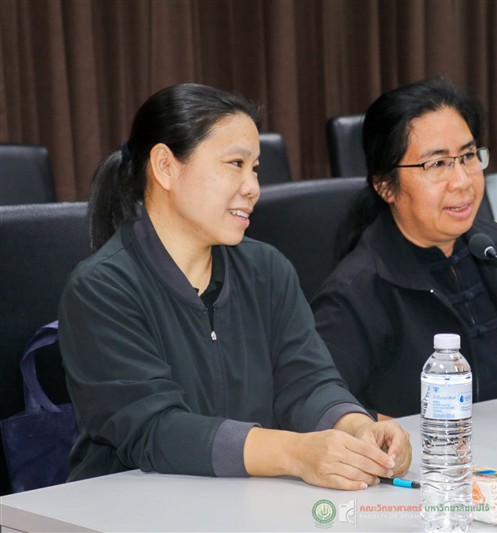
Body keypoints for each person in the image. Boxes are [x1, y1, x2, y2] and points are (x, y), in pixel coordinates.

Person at [58, 83, 410, 491]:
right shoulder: (101, 288)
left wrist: (356, 428)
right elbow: (155, 429)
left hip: (242, 501)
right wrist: (295, 453)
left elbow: (308, 382)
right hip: (123, 506)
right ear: (165, 167)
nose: (253, 187)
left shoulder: (267, 269)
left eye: (254, 168)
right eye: (235, 164)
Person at [312, 78, 497, 418]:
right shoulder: (356, 293)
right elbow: (322, 406)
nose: (462, 181)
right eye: (437, 164)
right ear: (385, 186)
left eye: (468, 156)